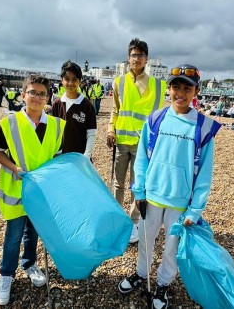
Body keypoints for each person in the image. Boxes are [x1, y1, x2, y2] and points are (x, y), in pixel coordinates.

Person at [117, 64, 220, 309]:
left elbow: (205, 172)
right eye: (176, 87)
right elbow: (142, 158)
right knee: (145, 239)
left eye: (187, 87)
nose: (180, 93)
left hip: (180, 201)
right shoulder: (155, 119)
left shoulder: (203, 127)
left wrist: (195, 210)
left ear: (196, 90)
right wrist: (139, 191)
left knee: (171, 248)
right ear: (169, 89)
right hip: (151, 197)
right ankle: (142, 274)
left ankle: (163, 283)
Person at [0, 74, 66, 306]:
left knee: (34, 231)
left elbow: (57, 157)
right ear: (23, 94)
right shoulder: (10, 123)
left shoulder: (55, 125)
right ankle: (6, 275)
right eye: (32, 92)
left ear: (48, 98)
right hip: (16, 190)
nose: (36, 97)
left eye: (42, 94)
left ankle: (30, 263)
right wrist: (15, 168)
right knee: (13, 235)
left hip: (41, 192)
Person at [107, 38, 167, 244]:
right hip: (122, 140)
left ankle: (133, 222)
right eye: (134, 55)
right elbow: (116, 109)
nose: (137, 59)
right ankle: (116, 219)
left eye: (141, 55)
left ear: (146, 59)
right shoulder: (119, 82)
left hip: (143, 144)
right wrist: (110, 129)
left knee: (137, 184)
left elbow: (158, 116)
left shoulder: (156, 85)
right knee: (117, 182)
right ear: (128, 57)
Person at [51, 60, 97, 158]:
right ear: (62, 80)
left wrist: (87, 155)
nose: (70, 83)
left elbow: (91, 133)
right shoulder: (57, 104)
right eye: (67, 79)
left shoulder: (87, 105)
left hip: (79, 156)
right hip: (59, 156)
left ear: (79, 81)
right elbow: (52, 131)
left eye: (74, 79)